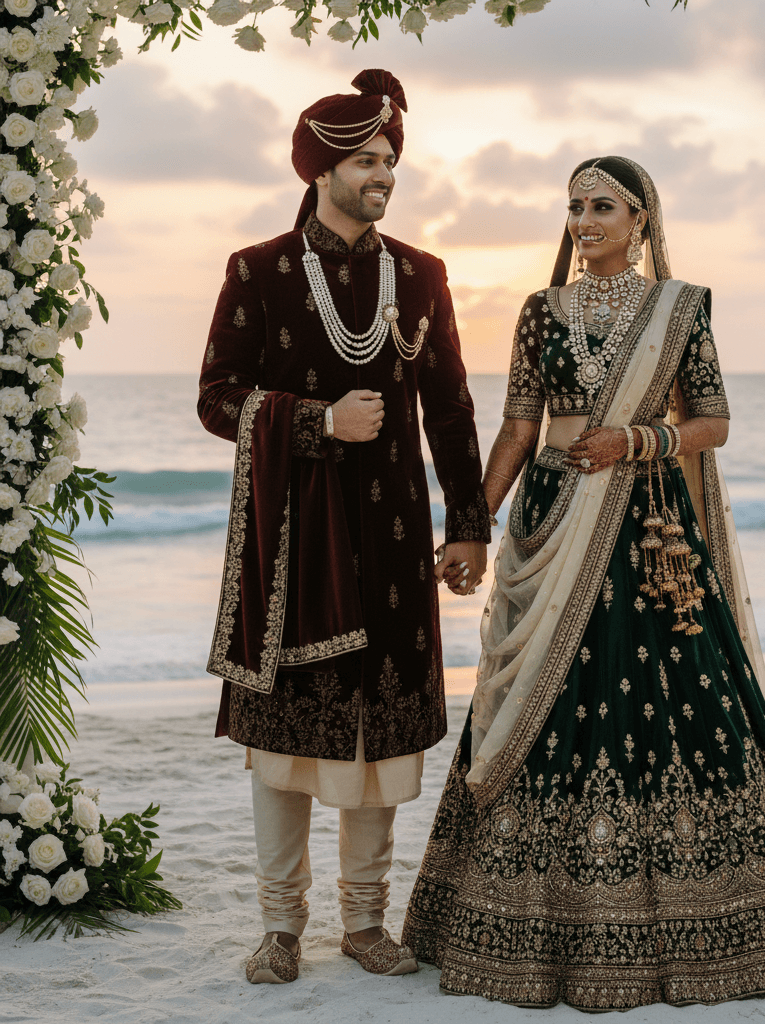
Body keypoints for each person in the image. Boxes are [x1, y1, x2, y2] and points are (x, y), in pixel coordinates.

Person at [403, 156, 765, 1009]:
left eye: (602, 206)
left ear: (642, 220)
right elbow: (517, 426)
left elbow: (712, 422)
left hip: (646, 527)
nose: (584, 220)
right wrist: (471, 523)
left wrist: (636, 444)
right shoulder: (540, 310)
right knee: (536, 696)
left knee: (681, 699)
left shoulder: (679, 310)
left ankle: (717, 921)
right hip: (555, 513)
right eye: (573, 207)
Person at [197, 69, 489, 985]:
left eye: (390, 158)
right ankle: (281, 927)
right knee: (284, 741)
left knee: (382, 741)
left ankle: (366, 922)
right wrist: (318, 421)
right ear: (321, 168)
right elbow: (215, 398)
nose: (385, 173)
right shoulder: (258, 271)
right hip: (292, 541)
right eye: (367, 159)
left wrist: (469, 523)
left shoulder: (423, 274)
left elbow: (449, 406)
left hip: (396, 538)